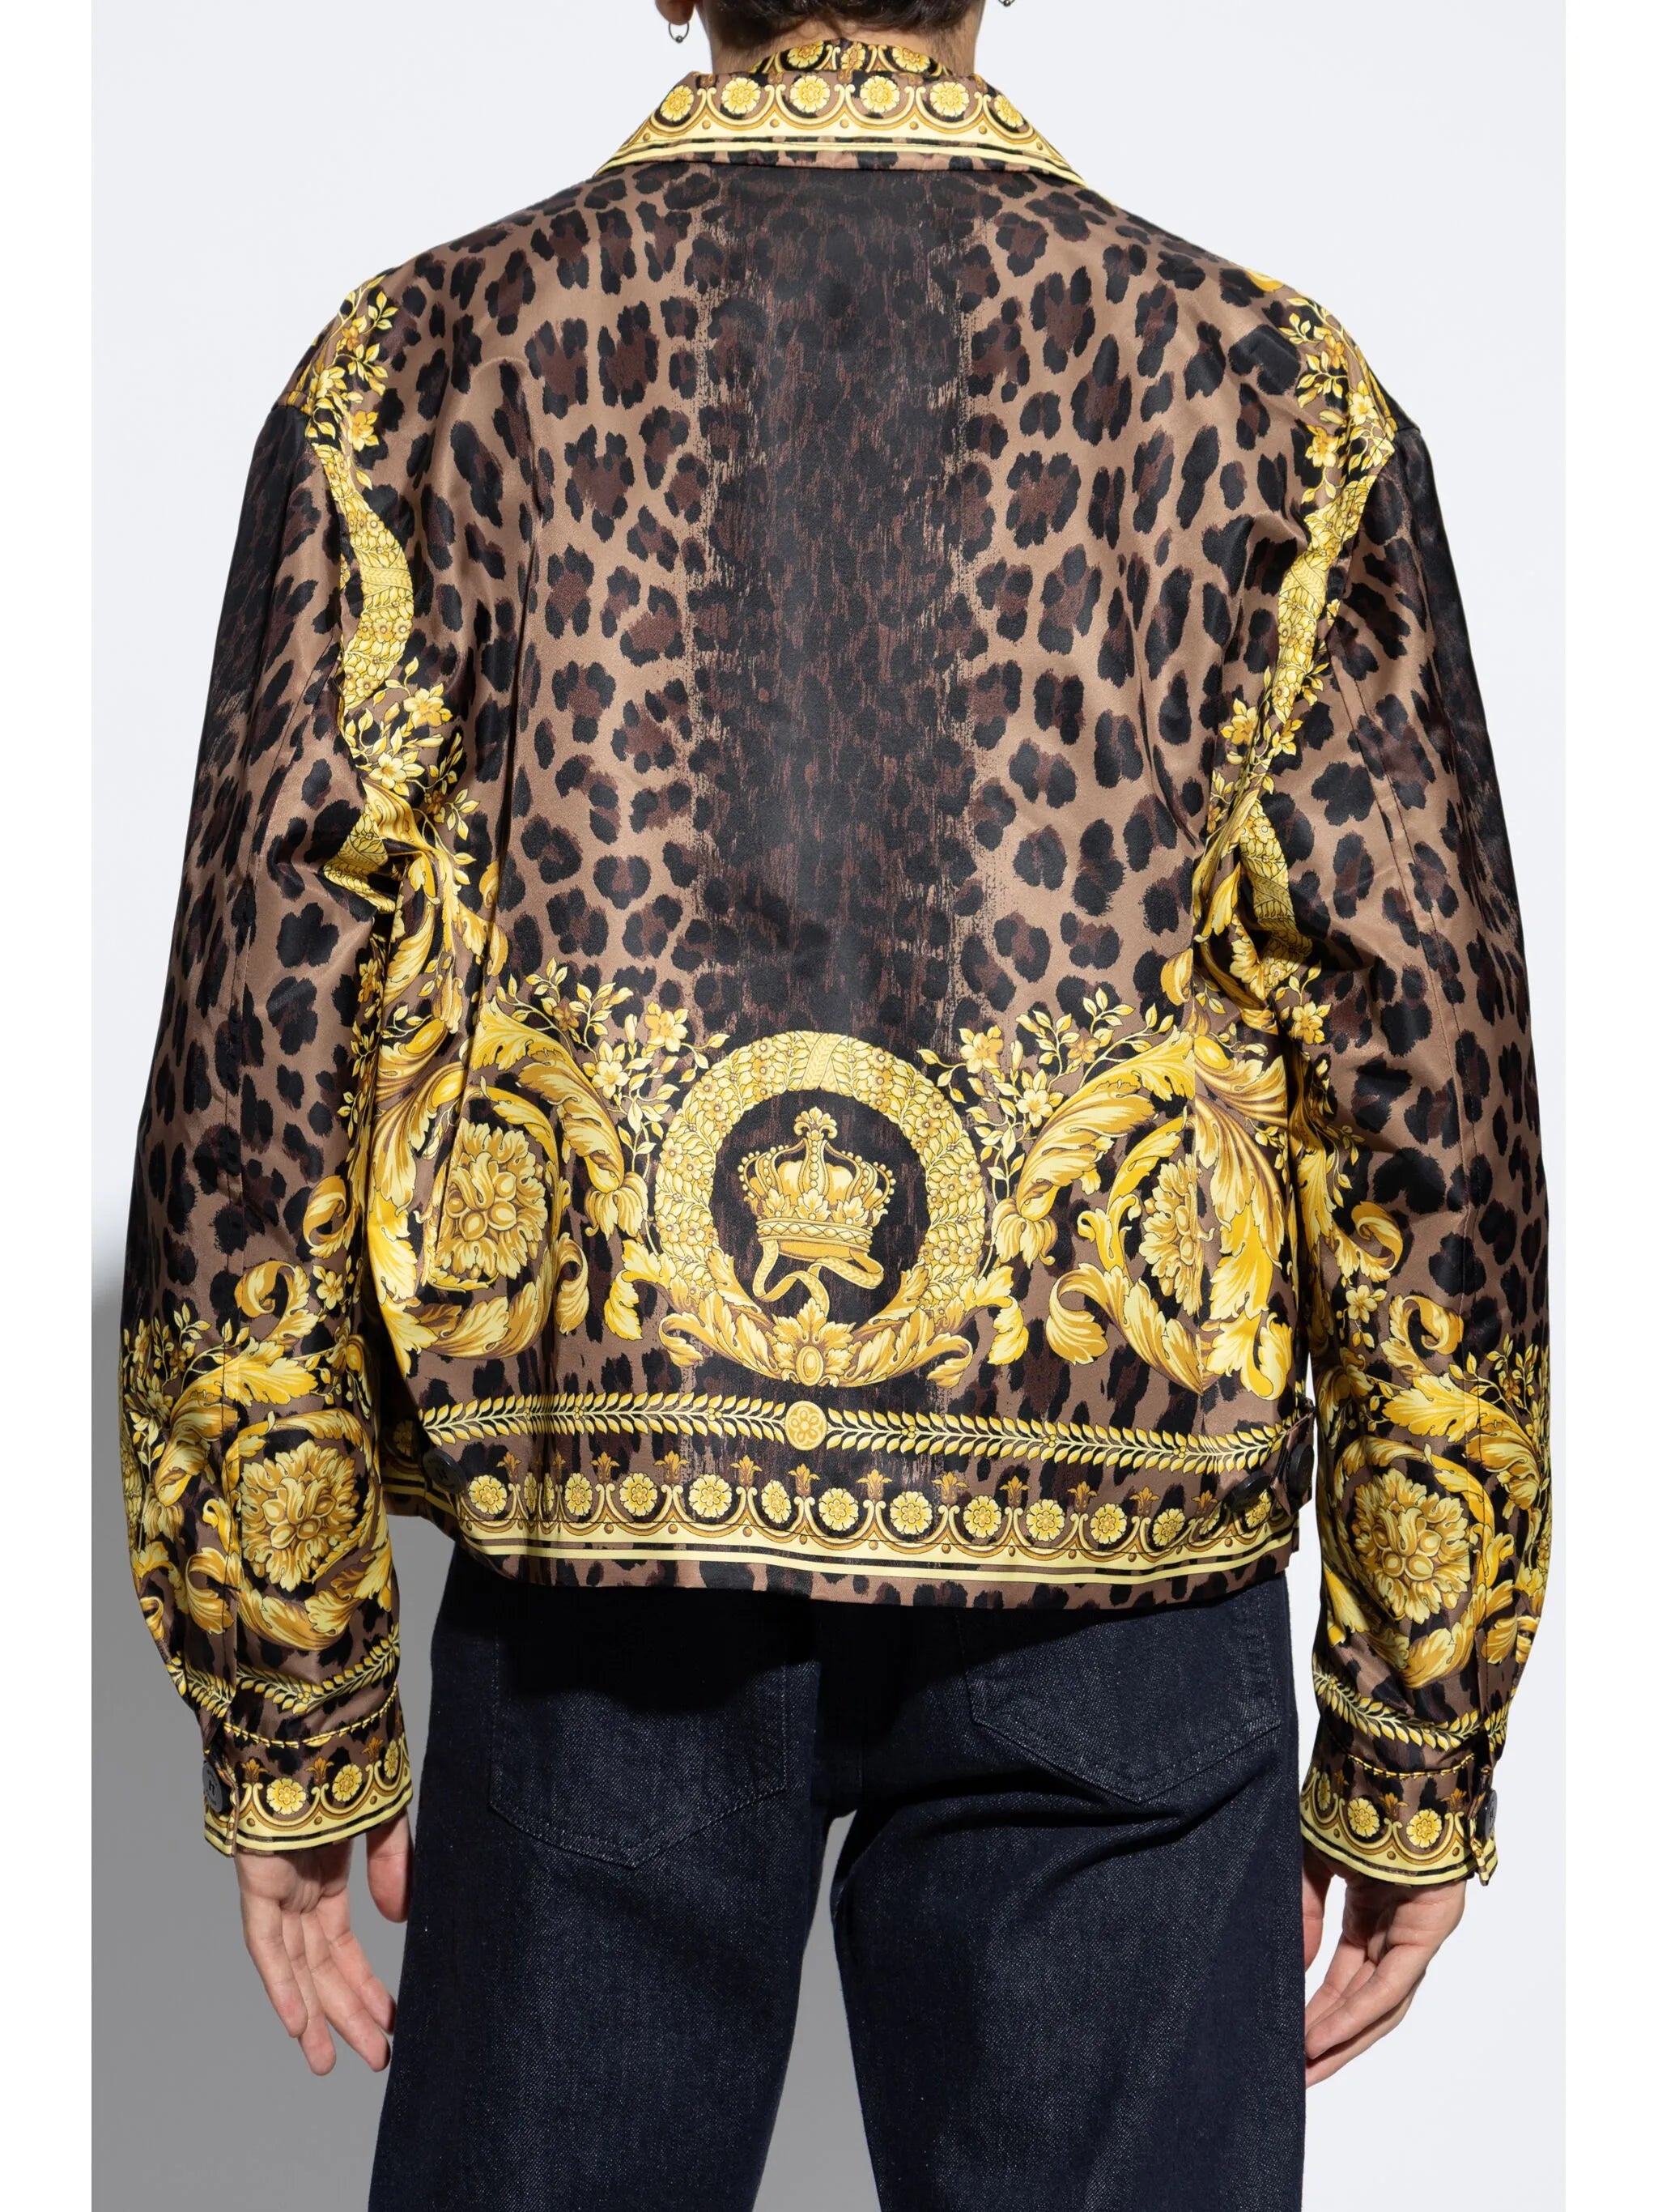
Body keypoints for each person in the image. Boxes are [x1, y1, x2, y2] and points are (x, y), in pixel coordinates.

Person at [118, 2, 1550, 2204]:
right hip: (1122, 1567)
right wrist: (1417, 1733)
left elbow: (257, 1050)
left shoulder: (415, 374)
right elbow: (1430, 1078)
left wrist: (290, 1702)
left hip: (611, 1542)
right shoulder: (1276, 397)